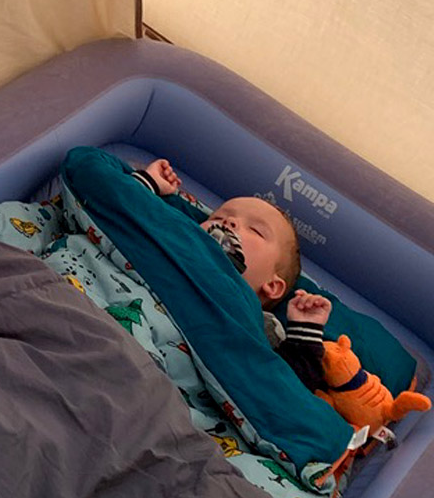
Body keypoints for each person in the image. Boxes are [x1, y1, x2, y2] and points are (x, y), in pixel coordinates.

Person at [135, 158, 331, 392]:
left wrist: (304, 334)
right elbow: (119, 214)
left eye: (256, 230)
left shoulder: (260, 325)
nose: (229, 222)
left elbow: (285, 393)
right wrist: (147, 184)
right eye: (217, 218)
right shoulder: (169, 242)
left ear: (272, 286)